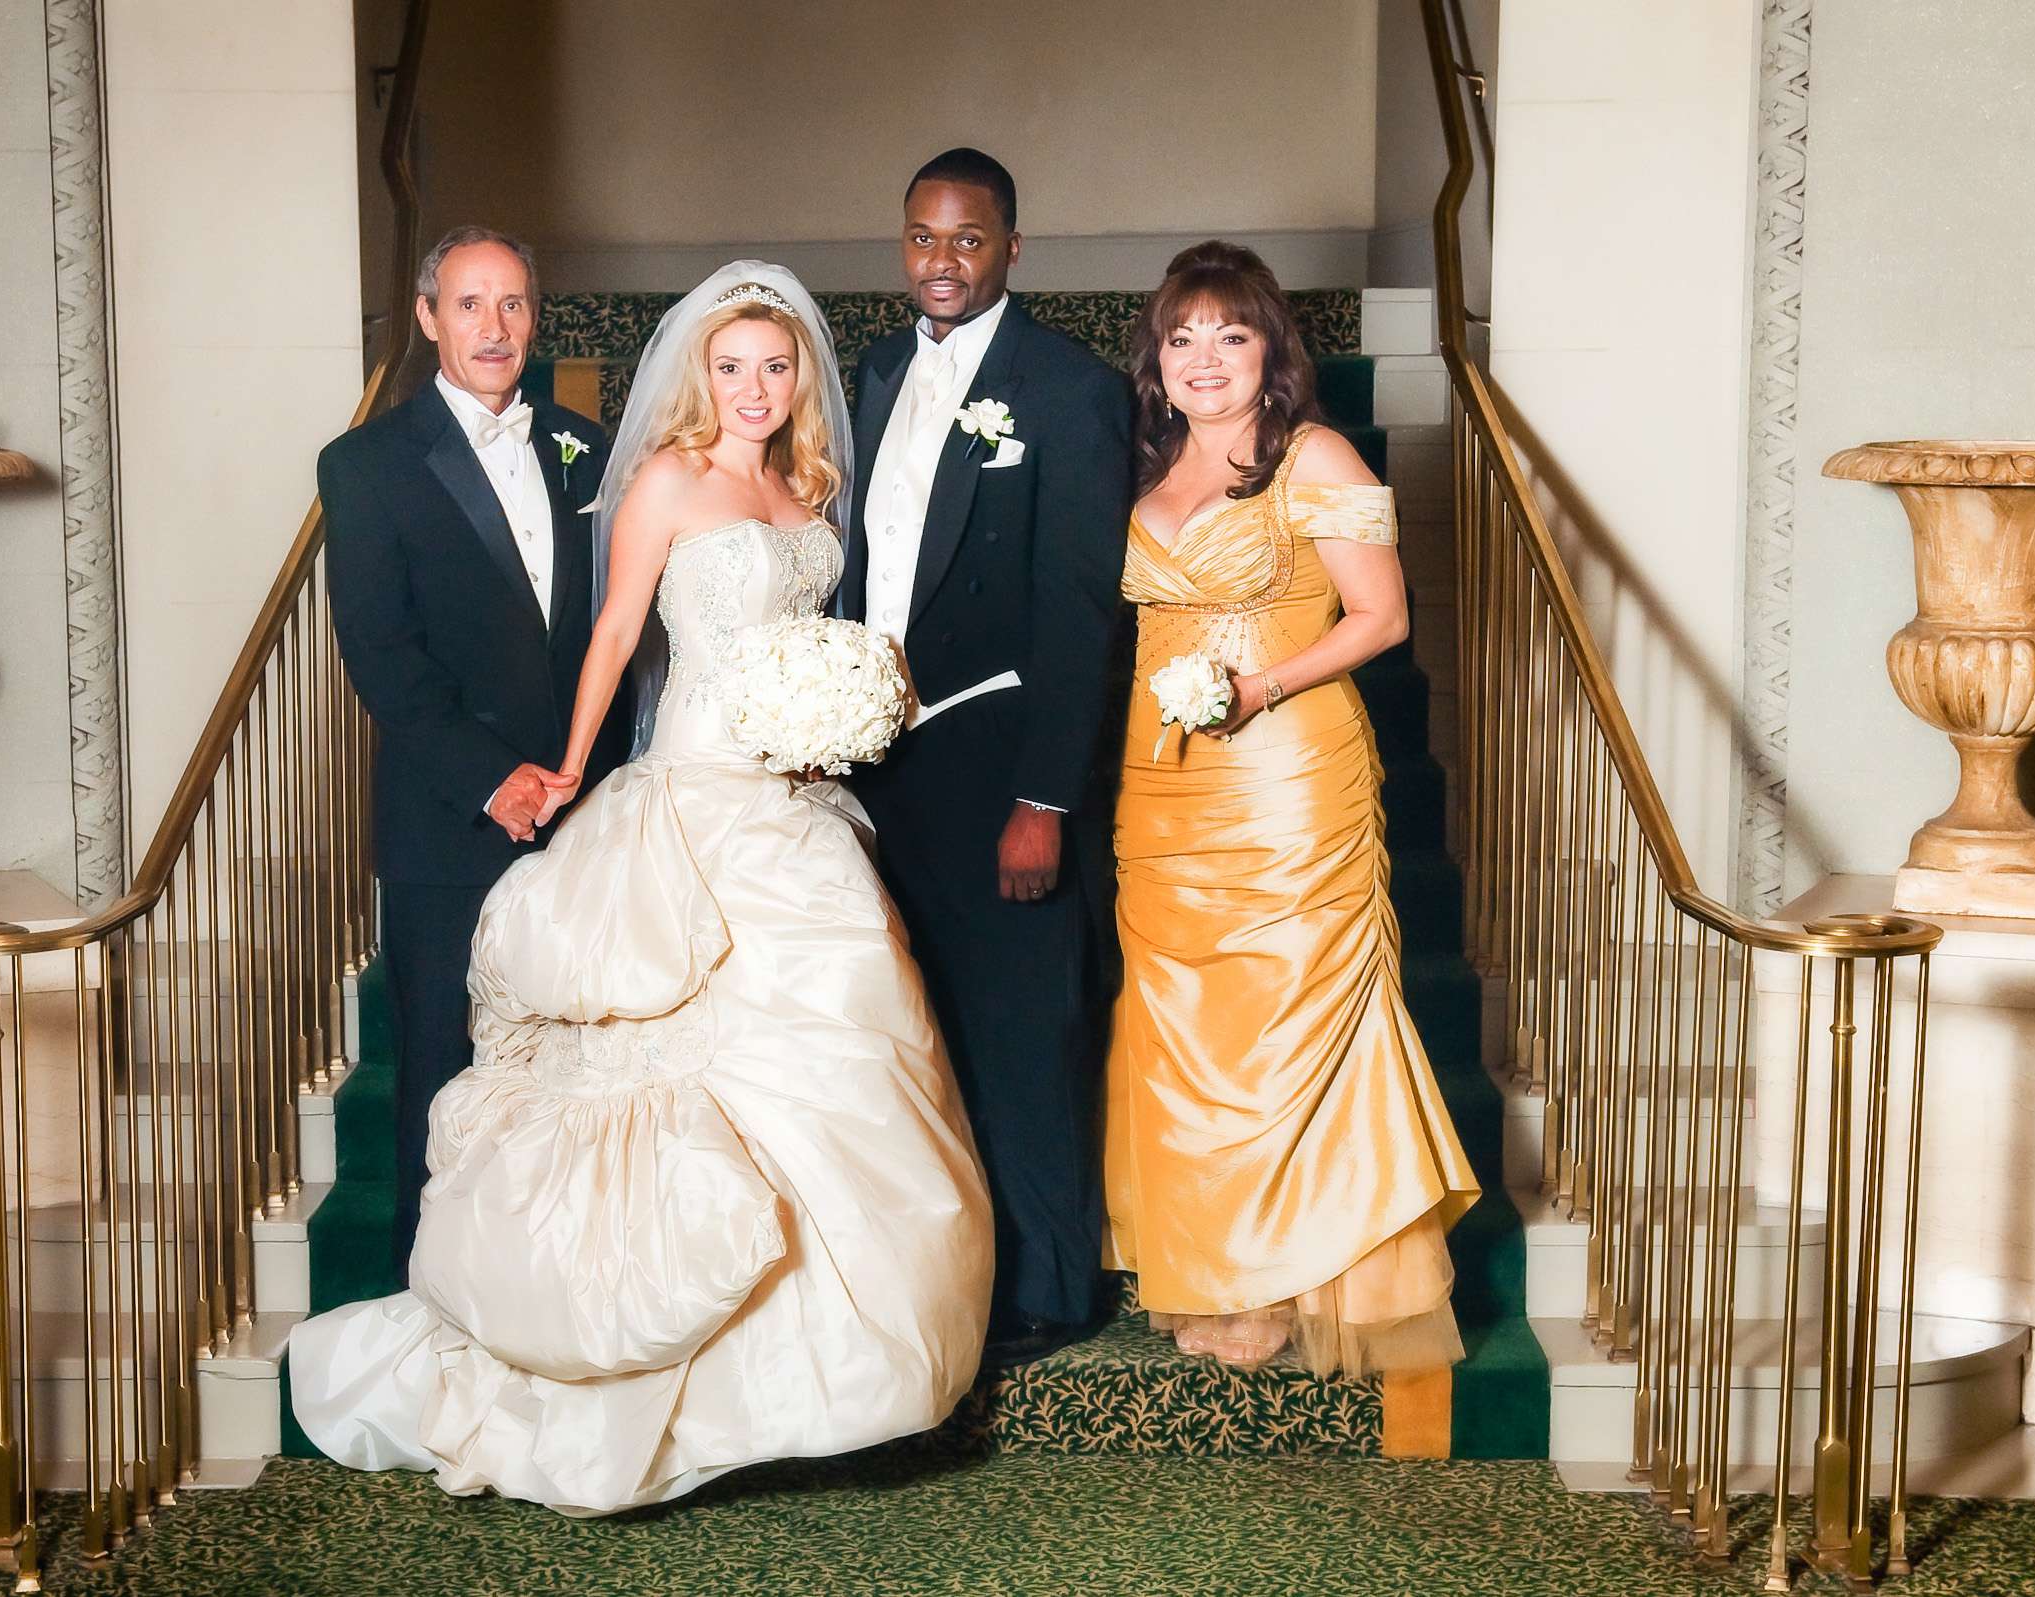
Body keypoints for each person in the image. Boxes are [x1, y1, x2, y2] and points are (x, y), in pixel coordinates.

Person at [289, 262, 993, 1517]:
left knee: (841, 1053)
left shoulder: (807, 485)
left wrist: (843, 709)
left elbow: (819, 631)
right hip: (691, 794)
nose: (757, 388)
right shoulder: (663, 476)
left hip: (795, 807)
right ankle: (626, 1369)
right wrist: (569, 762)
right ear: (697, 373)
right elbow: (617, 633)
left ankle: (822, 1378)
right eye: (732, 366)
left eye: (777, 366)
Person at [1105, 241, 1478, 1375]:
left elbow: (1382, 618)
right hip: (1159, 782)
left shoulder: (1313, 456)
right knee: (1182, 1022)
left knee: (1281, 1018)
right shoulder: (1145, 465)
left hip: (1284, 778)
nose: (1204, 358)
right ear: (1157, 357)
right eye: (1183, 336)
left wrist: (1256, 685)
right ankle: (1209, 1259)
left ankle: (1295, 1267)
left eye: (1231, 334)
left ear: (1271, 352)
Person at [840, 148, 1133, 1367]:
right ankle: (953, 1270)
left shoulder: (1068, 387)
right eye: (922, 237)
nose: (942, 261)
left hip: (1005, 758)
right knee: (925, 1023)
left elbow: (1079, 606)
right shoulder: (869, 374)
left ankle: (1054, 1286)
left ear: (1015, 247)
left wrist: (1044, 798)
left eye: (968, 240)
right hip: (881, 760)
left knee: (1024, 1020)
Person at [318, 226, 616, 1281]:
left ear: (536, 318)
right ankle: (429, 1310)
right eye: (471, 304)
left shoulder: (586, 446)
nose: (495, 328)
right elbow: (382, 654)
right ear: (430, 316)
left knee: (573, 1078)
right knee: (446, 1078)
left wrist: (584, 775)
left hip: (582, 816)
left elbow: (615, 632)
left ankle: (554, 1298)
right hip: (448, 826)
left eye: (515, 305)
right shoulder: (366, 465)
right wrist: (495, 781)